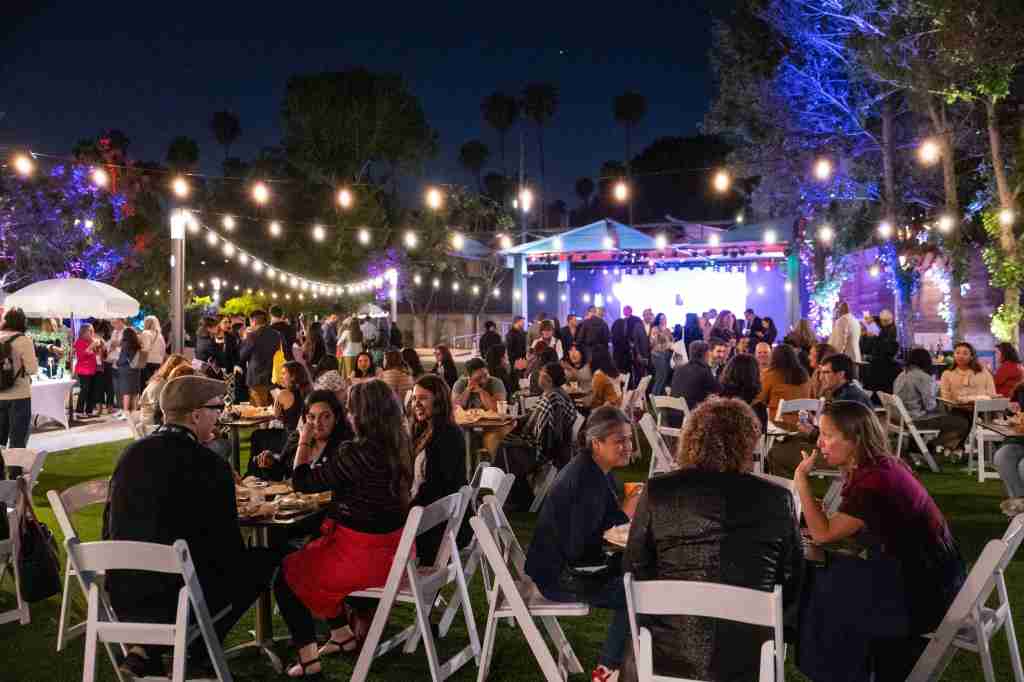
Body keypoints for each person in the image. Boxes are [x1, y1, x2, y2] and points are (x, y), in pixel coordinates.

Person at [103, 376, 279, 678]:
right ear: (195, 415)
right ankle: (199, 653)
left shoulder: (129, 454)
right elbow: (228, 547)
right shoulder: (210, 464)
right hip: (178, 596)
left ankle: (146, 651)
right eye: (216, 409)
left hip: (123, 591)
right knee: (264, 559)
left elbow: (110, 525)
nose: (220, 417)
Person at [623, 398, 802, 682]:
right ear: (747, 444)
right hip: (749, 658)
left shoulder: (658, 491)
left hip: (668, 655)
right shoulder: (778, 499)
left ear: (691, 439)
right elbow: (791, 578)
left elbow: (634, 567)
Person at [794, 401, 964, 682]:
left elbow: (823, 534)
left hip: (920, 596)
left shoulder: (873, 481)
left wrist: (801, 480)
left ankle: (838, 672)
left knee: (817, 583)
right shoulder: (883, 466)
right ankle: (846, 668)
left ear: (855, 439)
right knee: (822, 573)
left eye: (827, 435)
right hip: (936, 577)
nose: (819, 442)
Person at [273, 380, 412, 677]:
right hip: (396, 554)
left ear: (363, 415)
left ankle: (309, 662)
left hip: (365, 559)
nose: (348, 415)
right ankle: (341, 635)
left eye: (351, 410)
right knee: (311, 553)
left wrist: (303, 438)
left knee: (286, 574)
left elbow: (302, 482)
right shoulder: (400, 444)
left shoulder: (355, 452)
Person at [525, 407, 642, 682]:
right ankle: (607, 671)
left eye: (629, 439)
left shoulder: (595, 469)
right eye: (619, 441)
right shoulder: (584, 480)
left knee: (641, 571)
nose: (628, 446)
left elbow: (605, 519)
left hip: (566, 565)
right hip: (560, 576)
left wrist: (625, 515)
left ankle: (630, 663)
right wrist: (627, 514)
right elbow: (580, 547)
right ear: (596, 443)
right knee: (635, 593)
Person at [409, 374, 468, 563]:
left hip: (439, 525)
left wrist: (405, 509)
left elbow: (436, 487)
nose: (417, 404)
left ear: (439, 401)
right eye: (414, 398)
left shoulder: (448, 435)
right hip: (429, 515)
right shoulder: (423, 430)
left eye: (423, 398)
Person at [251, 389, 353, 481]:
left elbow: (303, 481)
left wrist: (304, 440)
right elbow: (281, 473)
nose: (317, 423)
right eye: (311, 417)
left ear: (336, 418)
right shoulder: (296, 438)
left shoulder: (345, 448)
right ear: (304, 418)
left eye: (325, 416)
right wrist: (271, 464)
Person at [893, 348, 970, 455]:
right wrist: (941, 401)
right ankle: (930, 446)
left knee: (950, 417)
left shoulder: (901, 375)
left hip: (900, 418)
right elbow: (930, 406)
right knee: (962, 423)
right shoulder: (923, 377)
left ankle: (921, 447)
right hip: (915, 420)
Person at [0, 308, 38, 448]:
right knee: (17, 441)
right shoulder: (24, 340)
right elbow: (32, 369)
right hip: (19, 395)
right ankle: (15, 464)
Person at [754, 344, 811, 426]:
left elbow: (761, 399)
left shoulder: (771, 375)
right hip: (803, 423)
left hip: (779, 423)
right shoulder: (805, 375)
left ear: (774, 357)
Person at [239, 310, 282, 407]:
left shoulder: (252, 336)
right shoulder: (277, 334)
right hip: (273, 377)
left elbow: (242, 356)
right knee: (273, 409)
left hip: (257, 380)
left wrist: (244, 339)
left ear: (253, 321)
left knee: (259, 410)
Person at [669, 340, 721, 415]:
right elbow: (718, 389)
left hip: (672, 415)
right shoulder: (703, 370)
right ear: (706, 354)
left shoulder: (679, 369)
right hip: (691, 417)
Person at [139, 354, 189, 428]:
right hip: (152, 423)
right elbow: (159, 411)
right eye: (182, 370)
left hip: (156, 419)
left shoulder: (166, 382)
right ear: (172, 368)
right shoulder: (159, 384)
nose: (185, 374)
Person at [73, 323, 102, 418]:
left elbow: (97, 354)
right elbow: (82, 356)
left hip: (93, 369)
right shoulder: (79, 342)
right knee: (85, 390)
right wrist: (92, 346)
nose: (92, 333)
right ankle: (79, 411)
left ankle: (89, 410)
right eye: (90, 331)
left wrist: (99, 346)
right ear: (83, 332)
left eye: (92, 331)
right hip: (83, 370)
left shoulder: (92, 341)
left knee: (92, 390)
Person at [275, 361, 312, 432]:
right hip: (306, 433)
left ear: (293, 376)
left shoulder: (283, 394)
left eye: (283, 373)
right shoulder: (310, 392)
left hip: (290, 435)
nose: (280, 377)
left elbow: (277, 416)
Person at [116, 327, 144, 415]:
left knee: (126, 391)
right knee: (135, 391)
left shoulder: (125, 344)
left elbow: (122, 359)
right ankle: (134, 411)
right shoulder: (137, 344)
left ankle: (126, 412)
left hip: (126, 370)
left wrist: (117, 363)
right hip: (136, 369)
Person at [588, 344, 623, 409]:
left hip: (607, 411)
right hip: (617, 407)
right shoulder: (614, 372)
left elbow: (594, 398)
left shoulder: (599, 374)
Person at [649, 313, 674, 396]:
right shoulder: (655, 329)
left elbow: (671, 341)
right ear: (658, 320)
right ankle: (654, 397)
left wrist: (671, 343)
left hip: (666, 355)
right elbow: (653, 342)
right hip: (657, 355)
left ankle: (659, 396)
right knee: (660, 377)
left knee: (664, 377)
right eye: (662, 318)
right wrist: (667, 344)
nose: (664, 320)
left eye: (665, 318)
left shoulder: (667, 330)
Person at [140, 315, 166, 386]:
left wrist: (140, 347)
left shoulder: (146, 333)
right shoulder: (160, 335)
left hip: (147, 361)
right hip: (158, 361)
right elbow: (163, 349)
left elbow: (146, 348)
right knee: (154, 383)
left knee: (145, 384)